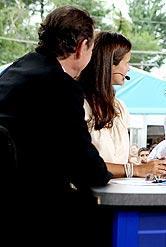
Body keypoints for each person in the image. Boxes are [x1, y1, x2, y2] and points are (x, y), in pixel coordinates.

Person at [0, 6, 111, 246]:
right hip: (34, 212)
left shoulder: (13, 72)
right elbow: (86, 167)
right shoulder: (61, 87)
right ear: (82, 47)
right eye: (92, 47)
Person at [79, 31, 166, 178]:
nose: (128, 69)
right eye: (126, 62)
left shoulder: (119, 108)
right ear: (109, 64)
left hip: (118, 194)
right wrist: (136, 170)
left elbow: (120, 160)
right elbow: (83, 163)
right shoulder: (78, 104)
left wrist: (149, 167)